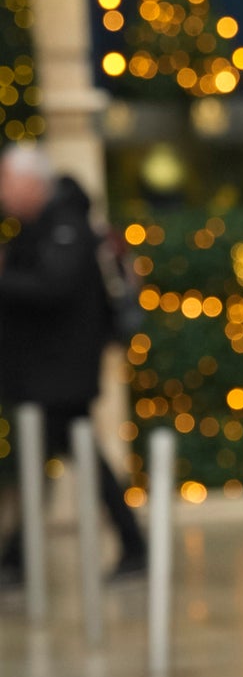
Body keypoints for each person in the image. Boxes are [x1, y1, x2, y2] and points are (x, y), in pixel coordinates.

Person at [0, 146, 146, 580]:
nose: (4, 193)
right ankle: (18, 557)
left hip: (60, 372)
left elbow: (53, 287)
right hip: (46, 371)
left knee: (59, 457)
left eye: (8, 182)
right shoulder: (41, 226)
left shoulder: (66, 226)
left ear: (32, 183)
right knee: (58, 457)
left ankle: (18, 558)